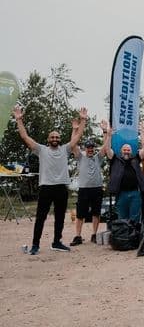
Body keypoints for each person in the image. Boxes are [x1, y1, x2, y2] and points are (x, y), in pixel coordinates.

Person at [13, 105, 87, 255]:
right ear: (48, 140)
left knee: (60, 217)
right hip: (46, 188)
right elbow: (25, 137)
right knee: (41, 218)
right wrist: (19, 120)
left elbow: (77, 136)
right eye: (52, 137)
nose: (55, 139)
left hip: (61, 188)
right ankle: (35, 245)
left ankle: (57, 242)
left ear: (60, 139)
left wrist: (83, 120)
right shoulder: (41, 149)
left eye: (57, 137)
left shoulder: (66, 149)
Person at [70, 120, 110, 246]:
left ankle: (94, 234)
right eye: (88, 148)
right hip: (84, 189)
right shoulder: (80, 157)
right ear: (85, 148)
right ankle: (78, 236)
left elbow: (105, 147)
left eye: (92, 147)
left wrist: (105, 132)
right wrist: (75, 130)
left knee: (96, 213)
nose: (90, 150)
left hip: (97, 188)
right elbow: (73, 145)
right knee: (80, 214)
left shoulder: (98, 157)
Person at [106, 123, 144, 222]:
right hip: (121, 194)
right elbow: (108, 149)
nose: (126, 151)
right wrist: (108, 136)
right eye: (125, 149)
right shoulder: (115, 159)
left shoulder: (136, 159)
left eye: (128, 150)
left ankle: (133, 236)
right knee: (122, 218)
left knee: (134, 218)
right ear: (121, 151)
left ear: (131, 151)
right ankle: (123, 236)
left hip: (135, 193)